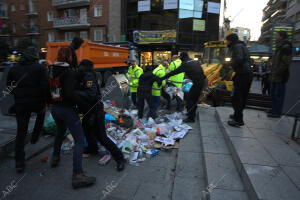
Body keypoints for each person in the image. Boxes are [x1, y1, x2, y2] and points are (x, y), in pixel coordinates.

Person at [48, 47, 96, 189]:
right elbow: (70, 93)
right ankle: (77, 175)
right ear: (70, 57)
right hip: (66, 109)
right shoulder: (68, 72)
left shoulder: (50, 68)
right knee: (79, 140)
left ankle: (55, 157)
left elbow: (47, 88)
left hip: (54, 108)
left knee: (60, 131)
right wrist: (84, 105)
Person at [76, 59, 126, 171]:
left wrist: (76, 93)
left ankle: (119, 157)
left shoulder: (88, 77)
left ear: (84, 67)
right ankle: (92, 148)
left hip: (95, 111)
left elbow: (91, 94)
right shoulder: (83, 76)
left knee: (101, 137)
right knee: (87, 132)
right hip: (87, 111)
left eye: (80, 66)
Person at [6, 46, 48, 173]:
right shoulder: (40, 68)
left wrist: (19, 94)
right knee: (41, 114)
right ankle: (35, 135)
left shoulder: (14, 69)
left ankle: (19, 163)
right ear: (34, 56)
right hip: (37, 103)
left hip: (21, 104)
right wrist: (47, 100)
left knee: (21, 132)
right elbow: (45, 86)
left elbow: (9, 87)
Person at [159, 52, 206, 123]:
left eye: (180, 58)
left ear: (182, 58)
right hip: (202, 81)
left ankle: (191, 118)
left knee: (190, 99)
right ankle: (191, 114)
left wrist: (162, 78)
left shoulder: (185, 64)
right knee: (194, 99)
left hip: (197, 83)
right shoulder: (194, 62)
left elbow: (174, 72)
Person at [226, 33, 253, 127]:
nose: (226, 42)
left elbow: (239, 59)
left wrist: (231, 65)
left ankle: (238, 120)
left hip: (242, 74)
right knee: (242, 96)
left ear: (231, 40)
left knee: (237, 97)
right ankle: (237, 115)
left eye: (227, 40)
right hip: (247, 74)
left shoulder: (236, 47)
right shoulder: (242, 46)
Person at [268, 31, 292, 118]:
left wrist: (277, 72)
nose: (275, 36)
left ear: (281, 37)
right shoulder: (280, 46)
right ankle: (274, 110)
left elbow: (285, 63)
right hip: (275, 76)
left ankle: (277, 112)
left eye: (277, 35)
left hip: (280, 77)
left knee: (278, 95)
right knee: (273, 94)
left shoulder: (286, 47)